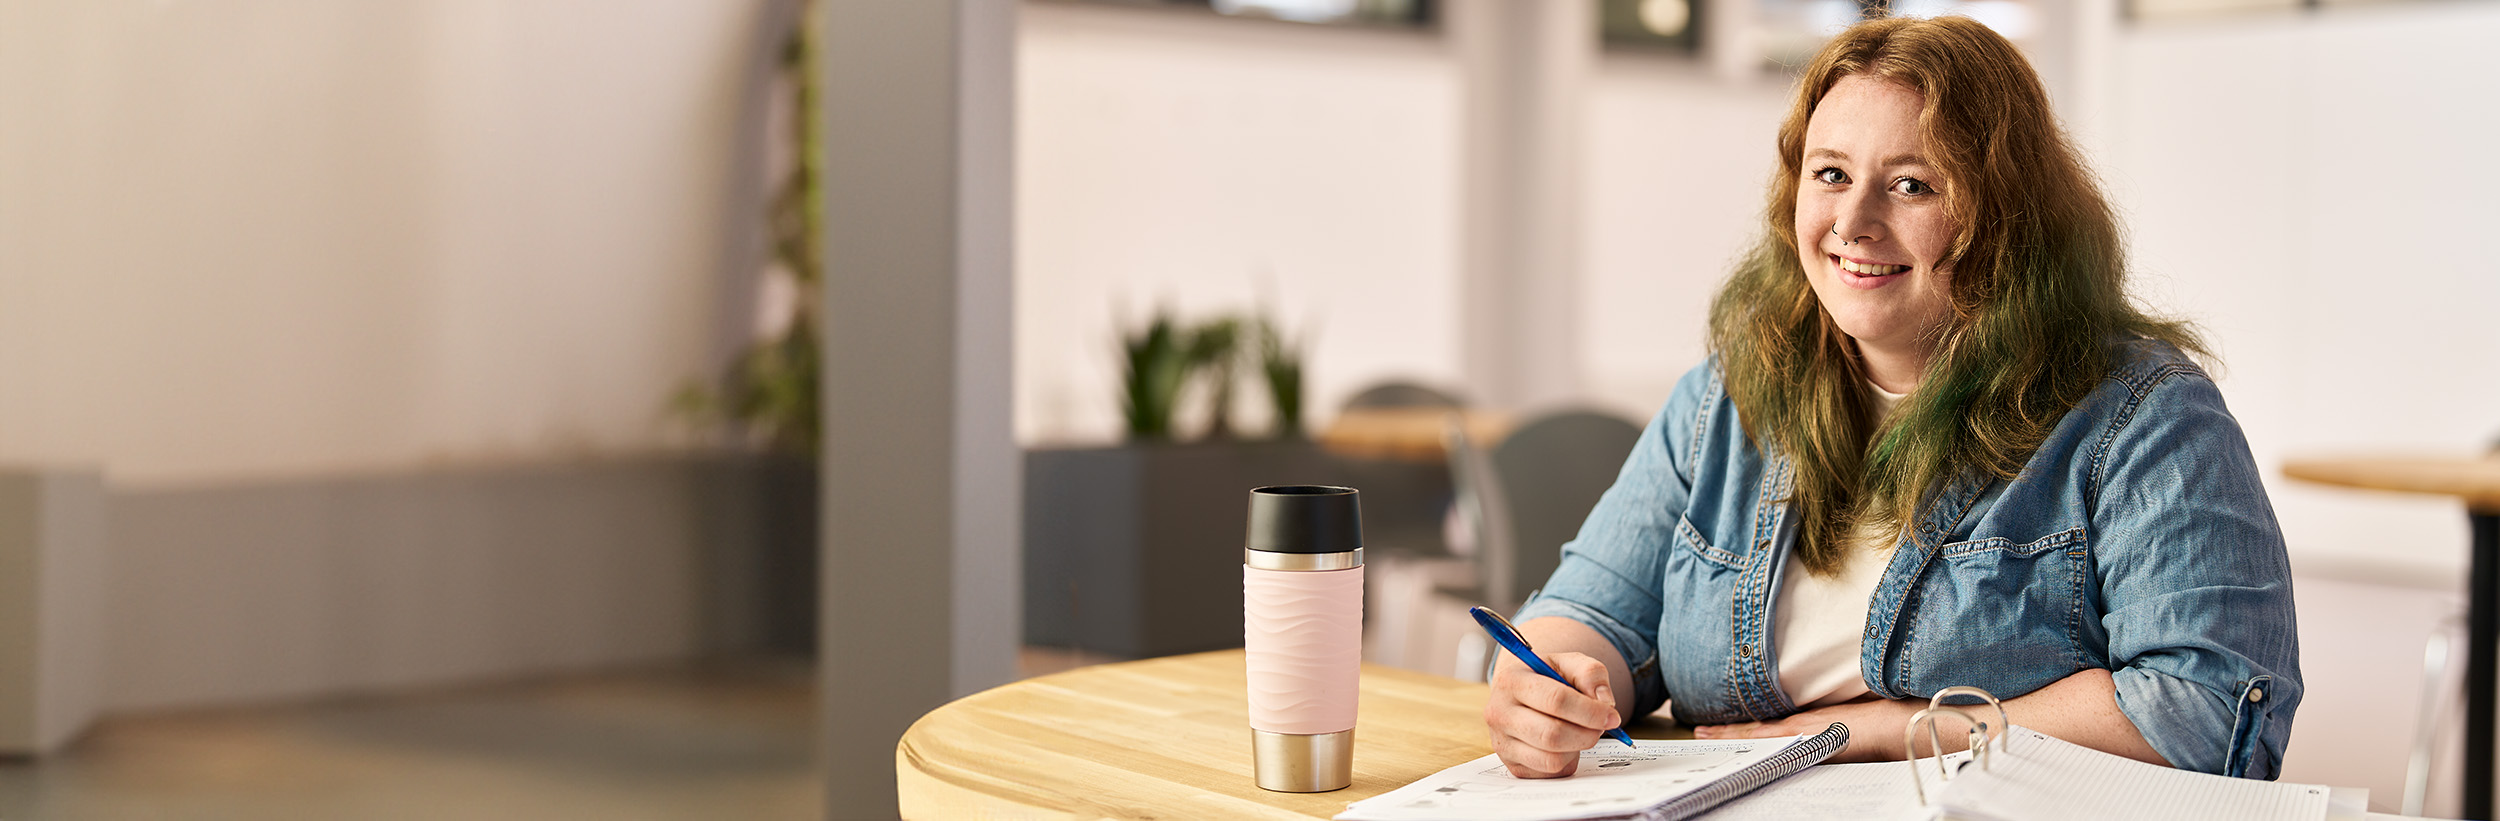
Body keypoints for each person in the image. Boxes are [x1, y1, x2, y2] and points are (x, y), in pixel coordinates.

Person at [1484, 15, 2301, 780]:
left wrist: (1876, 732)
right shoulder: (1726, 399)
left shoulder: (2148, 416)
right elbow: (1590, 611)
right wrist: (1550, 681)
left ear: (2006, 214)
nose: (1855, 221)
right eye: (1830, 174)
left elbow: (2208, 708)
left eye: (1912, 185)